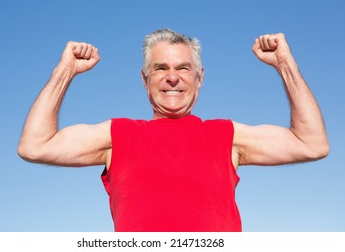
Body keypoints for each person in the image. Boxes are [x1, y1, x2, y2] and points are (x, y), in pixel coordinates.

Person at [18, 28, 329, 231]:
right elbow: (35, 146)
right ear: (145, 79)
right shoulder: (117, 136)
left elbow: (311, 144)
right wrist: (65, 71)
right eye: (160, 69)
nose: (172, 78)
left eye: (183, 68)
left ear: (200, 78)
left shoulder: (226, 136)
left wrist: (285, 64)